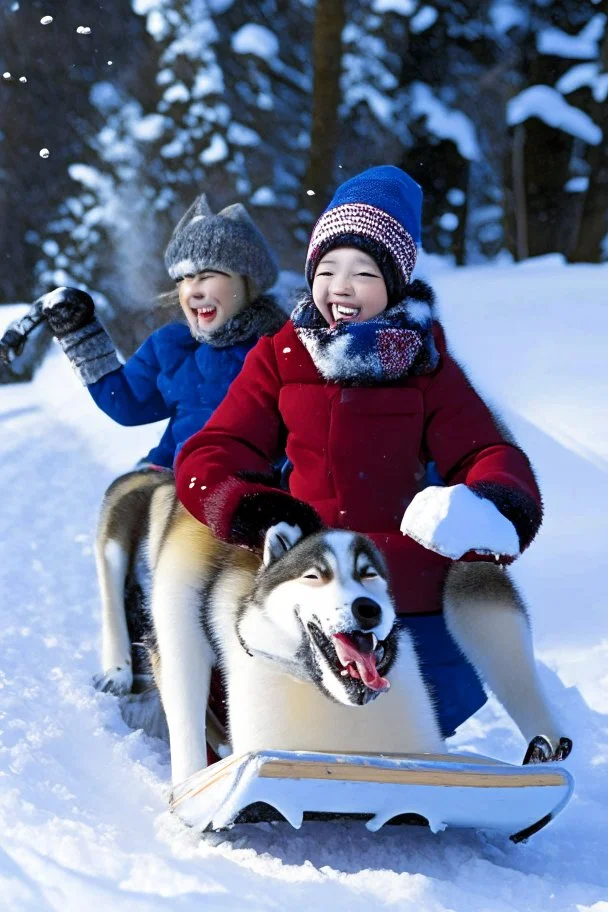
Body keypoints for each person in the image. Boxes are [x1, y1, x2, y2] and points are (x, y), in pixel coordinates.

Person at [173, 166, 568, 755]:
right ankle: (235, 737)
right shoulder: (283, 354)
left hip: (399, 569)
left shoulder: (426, 362)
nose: (341, 286)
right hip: (309, 561)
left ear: (395, 283)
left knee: (479, 592)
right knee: (229, 591)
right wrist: (253, 509)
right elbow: (213, 449)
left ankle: (541, 733)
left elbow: (488, 451)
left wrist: (490, 504)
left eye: (363, 272)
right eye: (326, 270)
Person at [37, 194, 285, 468]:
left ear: (247, 283)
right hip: (181, 483)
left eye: (207, 276)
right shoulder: (174, 348)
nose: (194, 290)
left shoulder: (278, 348)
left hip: (256, 489)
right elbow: (127, 402)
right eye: (184, 279)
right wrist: (79, 334)